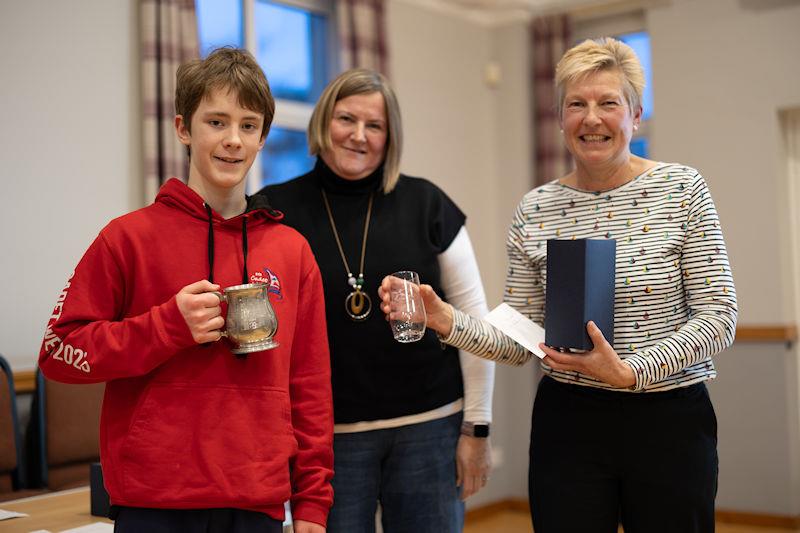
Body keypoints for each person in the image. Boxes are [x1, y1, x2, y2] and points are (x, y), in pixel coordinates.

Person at [381, 37, 737, 533]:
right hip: (569, 423)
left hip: (669, 421)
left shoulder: (682, 189)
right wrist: (445, 320)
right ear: (560, 119)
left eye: (608, 103)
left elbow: (719, 317)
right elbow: (519, 339)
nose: (592, 118)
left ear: (634, 116)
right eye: (577, 104)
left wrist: (631, 372)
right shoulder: (536, 209)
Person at [38, 48, 333, 533]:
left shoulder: (293, 251)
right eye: (216, 122)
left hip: (256, 499)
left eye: (248, 125)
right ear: (183, 129)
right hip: (153, 501)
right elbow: (58, 352)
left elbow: (312, 388)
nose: (233, 141)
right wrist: (166, 327)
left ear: (262, 138)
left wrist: (312, 506)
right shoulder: (126, 238)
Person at [259, 68, 495, 533]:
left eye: (376, 126)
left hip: (430, 429)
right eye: (347, 119)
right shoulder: (273, 211)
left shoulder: (428, 204)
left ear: (391, 138)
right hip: (327, 441)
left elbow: (474, 325)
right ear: (324, 121)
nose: (359, 136)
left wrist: (477, 430)